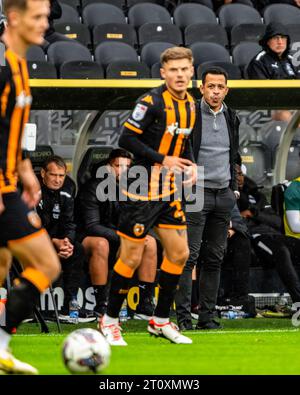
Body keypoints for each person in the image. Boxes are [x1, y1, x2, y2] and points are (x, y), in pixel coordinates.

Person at [98, 46, 197, 346]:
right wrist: (162, 159)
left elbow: (183, 141)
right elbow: (126, 138)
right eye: (174, 70)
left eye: (184, 69)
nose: (179, 75)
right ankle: (110, 320)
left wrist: (190, 165)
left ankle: (161, 321)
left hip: (168, 190)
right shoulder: (150, 101)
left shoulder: (191, 103)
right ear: (163, 73)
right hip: (140, 188)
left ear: (192, 72)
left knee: (180, 254)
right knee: (131, 255)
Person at [0, 0, 60, 374]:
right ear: (15, 18)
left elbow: (9, 126)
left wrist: (25, 168)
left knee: (4, 264)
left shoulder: (21, 67)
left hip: (9, 183)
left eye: (47, 16)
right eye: (38, 16)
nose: (44, 23)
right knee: (46, 263)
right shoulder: (2, 68)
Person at [175, 66, 239, 331]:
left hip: (223, 195)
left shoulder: (231, 116)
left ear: (226, 89)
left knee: (214, 258)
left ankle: (208, 317)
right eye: (210, 86)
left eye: (220, 87)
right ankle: (183, 318)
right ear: (201, 88)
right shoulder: (190, 114)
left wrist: (234, 189)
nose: (215, 91)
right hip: (196, 192)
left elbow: (233, 155)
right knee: (188, 256)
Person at [76, 148, 157, 320]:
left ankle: (145, 304)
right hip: (89, 239)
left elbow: (140, 220)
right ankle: (101, 305)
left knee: (149, 241)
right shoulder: (93, 187)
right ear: (108, 167)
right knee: (101, 244)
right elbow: (92, 226)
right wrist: (122, 238)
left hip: (119, 238)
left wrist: (136, 235)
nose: (123, 170)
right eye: (118, 166)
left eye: (127, 166)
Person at [37, 155, 93, 323]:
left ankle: (70, 306)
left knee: (77, 250)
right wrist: (53, 242)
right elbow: (32, 226)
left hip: (58, 241)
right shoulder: (33, 189)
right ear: (43, 173)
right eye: (53, 175)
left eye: (61, 176)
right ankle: (31, 307)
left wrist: (67, 241)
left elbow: (70, 222)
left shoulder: (69, 187)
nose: (58, 180)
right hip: (35, 241)